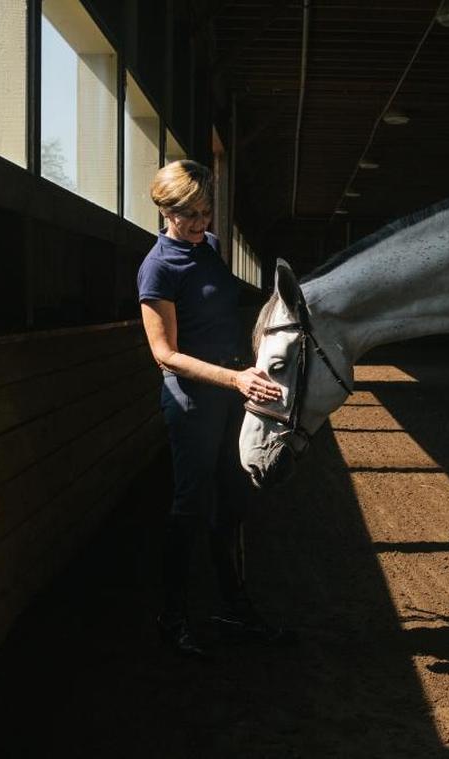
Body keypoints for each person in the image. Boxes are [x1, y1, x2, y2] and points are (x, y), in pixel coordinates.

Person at [136, 159, 293, 659]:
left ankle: (234, 606)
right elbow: (165, 354)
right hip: (193, 402)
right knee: (190, 507)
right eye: (191, 215)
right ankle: (172, 617)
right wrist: (233, 377)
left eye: (206, 212)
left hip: (231, 393)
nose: (202, 223)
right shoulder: (158, 267)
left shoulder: (212, 250)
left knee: (234, 503)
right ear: (166, 209)